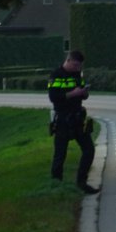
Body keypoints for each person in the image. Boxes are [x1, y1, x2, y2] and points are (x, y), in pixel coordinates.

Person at [46, 49, 98, 194]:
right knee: (60, 154)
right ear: (68, 61)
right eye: (75, 65)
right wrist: (72, 94)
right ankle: (56, 185)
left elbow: (82, 94)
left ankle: (82, 182)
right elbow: (53, 97)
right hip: (63, 118)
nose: (77, 68)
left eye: (79, 66)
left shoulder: (77, 75)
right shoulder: (56, 75)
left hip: (78, 118)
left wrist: (84, 93)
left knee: (89, 149)